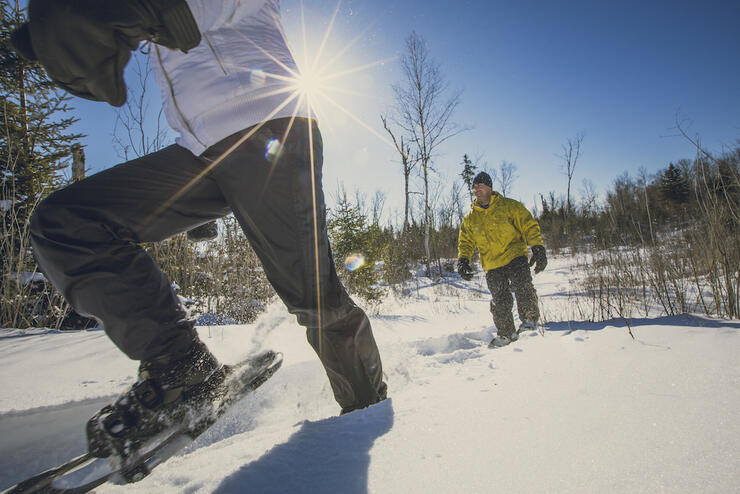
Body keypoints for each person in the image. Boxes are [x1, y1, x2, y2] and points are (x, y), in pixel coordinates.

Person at [11, 0, 386, 456]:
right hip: (199, 150)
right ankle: (182, 370)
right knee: (66, 222)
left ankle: (367, 417)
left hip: (269, 127)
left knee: (313, 299)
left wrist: (140, 10)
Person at [457, 172, 547, 347]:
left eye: (480, 186)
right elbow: (465, 241)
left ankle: (529, 321)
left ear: (489, 188)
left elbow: (529, 225)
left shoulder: (509, 206)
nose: (476, 190)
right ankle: (506, 334)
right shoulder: (471, 218)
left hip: (515, 255)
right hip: (492, 264)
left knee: (523, 287)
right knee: (500, 300)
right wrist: (463, 260)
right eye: (474, 187)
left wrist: (537, 247)